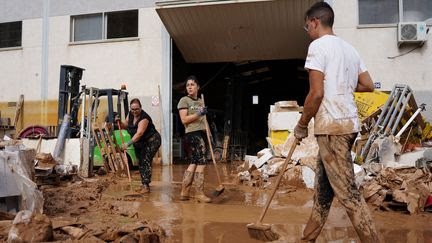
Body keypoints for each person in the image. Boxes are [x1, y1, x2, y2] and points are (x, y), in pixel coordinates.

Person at [294, 2, 380, 243]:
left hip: (332, 127)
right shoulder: (349, 49)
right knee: (323, 192)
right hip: (348, 125)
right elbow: (368, 84)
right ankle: (307, 238)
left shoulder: (318, 47)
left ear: (314, 21)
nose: (307, 30)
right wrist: (341, 84)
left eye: (306, 26)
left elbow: (316, 93)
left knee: (349, 194)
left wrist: (302, 124)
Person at [177, 75, 212, 203]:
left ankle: (184, 192)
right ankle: (199, 193)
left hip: (201, 132)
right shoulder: (184, 100)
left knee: (194, 161)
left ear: (198, 86)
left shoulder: (200, 101)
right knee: (201, 161)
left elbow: (204, 120)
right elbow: (184, 120)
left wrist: (208, 133)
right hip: (192, 133)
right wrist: (199, 113)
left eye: (192, 84)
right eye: (187, 85)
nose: (190, 87)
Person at [117, 98, 161, 193]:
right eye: (132, 109)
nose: (134, 111)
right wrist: (119, 122)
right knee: (140, 161)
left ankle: (146, 185)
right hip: (140, 142)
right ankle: (143, 184)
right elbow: (125, 125)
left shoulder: (144, 118)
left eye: (137, 109)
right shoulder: (130, 114)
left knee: (145, 159)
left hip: (152, 140)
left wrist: (127, 144)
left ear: (140, 108)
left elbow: (139, 133)